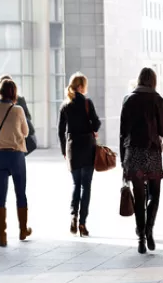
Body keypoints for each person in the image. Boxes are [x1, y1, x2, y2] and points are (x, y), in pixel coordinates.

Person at [120, 67, 163, 254]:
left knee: (139, 197)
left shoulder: (128, 100)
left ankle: (140, 237)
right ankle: (149, 229)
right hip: (152, 152)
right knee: (154, 194)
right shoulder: (158, 100)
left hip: (134, 153)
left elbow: (123, 131)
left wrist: (123, 159)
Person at [57, 72, 101, 237]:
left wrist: (64, 150)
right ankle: (82, 223)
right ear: (82, 86)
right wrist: (93, 130)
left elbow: (60, 131)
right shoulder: (87, 103)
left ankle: (73, 215)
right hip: (87, 148)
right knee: (86, 186)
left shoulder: (65, 105)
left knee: (76, 185)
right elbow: (96, 123)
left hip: (72, 149)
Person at [0, 79, 31, 247]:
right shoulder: (18, 109)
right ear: (14, 92)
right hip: (16, 156)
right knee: (20, 193)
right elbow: (26, 132)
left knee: (0, 197)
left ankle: (2, 236)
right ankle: (22, 230)